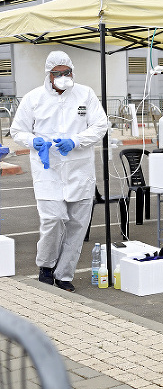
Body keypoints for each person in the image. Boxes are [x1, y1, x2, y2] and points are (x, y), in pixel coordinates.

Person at [10, 50, 108, 292]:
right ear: (49, 75)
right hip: (48, 170)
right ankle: (45, 266)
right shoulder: (33, 98)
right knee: (53, 219)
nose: (64, 77)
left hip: (80, 170)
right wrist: (34, 142)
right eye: (59, 73)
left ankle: (64, 274)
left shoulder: (85, 94)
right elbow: (17, 130)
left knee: (77, 225)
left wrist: (76, 141)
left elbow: (100, 124)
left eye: (68, 72)